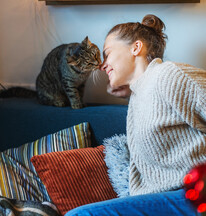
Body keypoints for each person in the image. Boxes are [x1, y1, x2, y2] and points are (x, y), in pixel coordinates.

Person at [66, 15, 206, 216]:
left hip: (192, 195)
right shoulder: (140, 94)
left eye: (107, 54)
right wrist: (131, 91)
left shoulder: (168, 74)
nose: (101, 65)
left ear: (135, 48)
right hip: (163, 199)